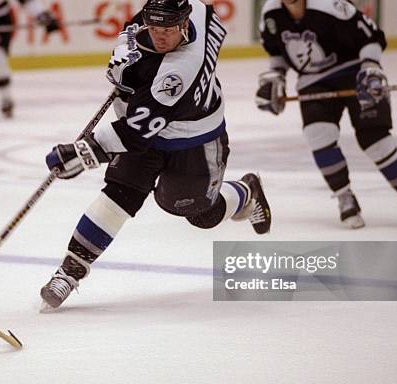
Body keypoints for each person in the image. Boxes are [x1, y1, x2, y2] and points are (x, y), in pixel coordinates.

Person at [39, 0, 272, 311]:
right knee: (119, 195)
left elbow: (134, 133)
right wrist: (127, 43)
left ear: (184, 24)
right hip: (151, 129)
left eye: (168, 30)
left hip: (195, 141)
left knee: (201, 214)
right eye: (155, 28)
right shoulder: (196, 12)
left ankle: (247, 191)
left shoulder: (179, 72)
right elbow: (158, 24)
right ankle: (69, 273)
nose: (160, 36)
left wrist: (83, 153)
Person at [255, 0, 397, 228]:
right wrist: (277, 76)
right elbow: (276, 51)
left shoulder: (330, 5)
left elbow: (371, 36)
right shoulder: (271, 14)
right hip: (314, 82)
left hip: (355, 71)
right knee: (318, 135)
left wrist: (371, 66)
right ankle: (344, 197)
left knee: (375, 140)